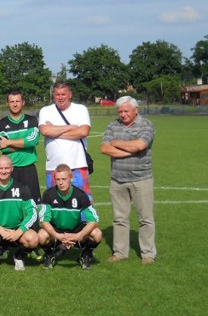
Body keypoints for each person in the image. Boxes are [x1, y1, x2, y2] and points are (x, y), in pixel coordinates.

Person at [101, 96, 156, 264]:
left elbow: (140, 145)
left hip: (141, 179)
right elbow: (104, 148)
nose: (123, 114)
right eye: (120, 111)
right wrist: (129, 150)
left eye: (126, 111)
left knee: (145, 218)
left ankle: (147, 254)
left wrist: (117, 143)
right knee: (119, 218)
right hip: (117, 180)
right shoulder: (112, 125)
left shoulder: (146, 125)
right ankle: (120, 252)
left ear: (135, 110)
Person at [38, 164, 102, 270]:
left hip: (75, 230)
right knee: (41, 235)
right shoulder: (48, 194)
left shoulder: (81, 195)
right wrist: (57, 236)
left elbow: (94, 220)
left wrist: (78, 235)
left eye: (64, 179)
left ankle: (85, 255)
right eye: (58, 179)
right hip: (57, 230)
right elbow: (44, 221)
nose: (61, 182)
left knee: (97, 234)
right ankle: (50, 255)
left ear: (71, 178)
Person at [38, 82, 92, 200]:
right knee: (54, 206)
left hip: (77, 166)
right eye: (57, 94)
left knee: (84, 206)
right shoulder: (46, 110)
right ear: (53, 96)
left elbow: (83, 132)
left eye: (63, 94)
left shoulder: (80, 109)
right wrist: (71, 127)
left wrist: (55, 131)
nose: (60, 97)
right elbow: (45, 131)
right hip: (53, 168)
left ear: (70, 95)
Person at [0, 90, 41, 204]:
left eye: (17, 101)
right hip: (10, 170)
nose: (15, 104)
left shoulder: (31, 120)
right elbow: (2, 146)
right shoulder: (1, 123)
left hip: (29, 169)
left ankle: (33, 223)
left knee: (33, 204)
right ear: (7, 103)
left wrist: (10, 142)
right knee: (12, 205)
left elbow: (33, 140)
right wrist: (25, 144)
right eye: (12, 101)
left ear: (23, 102)